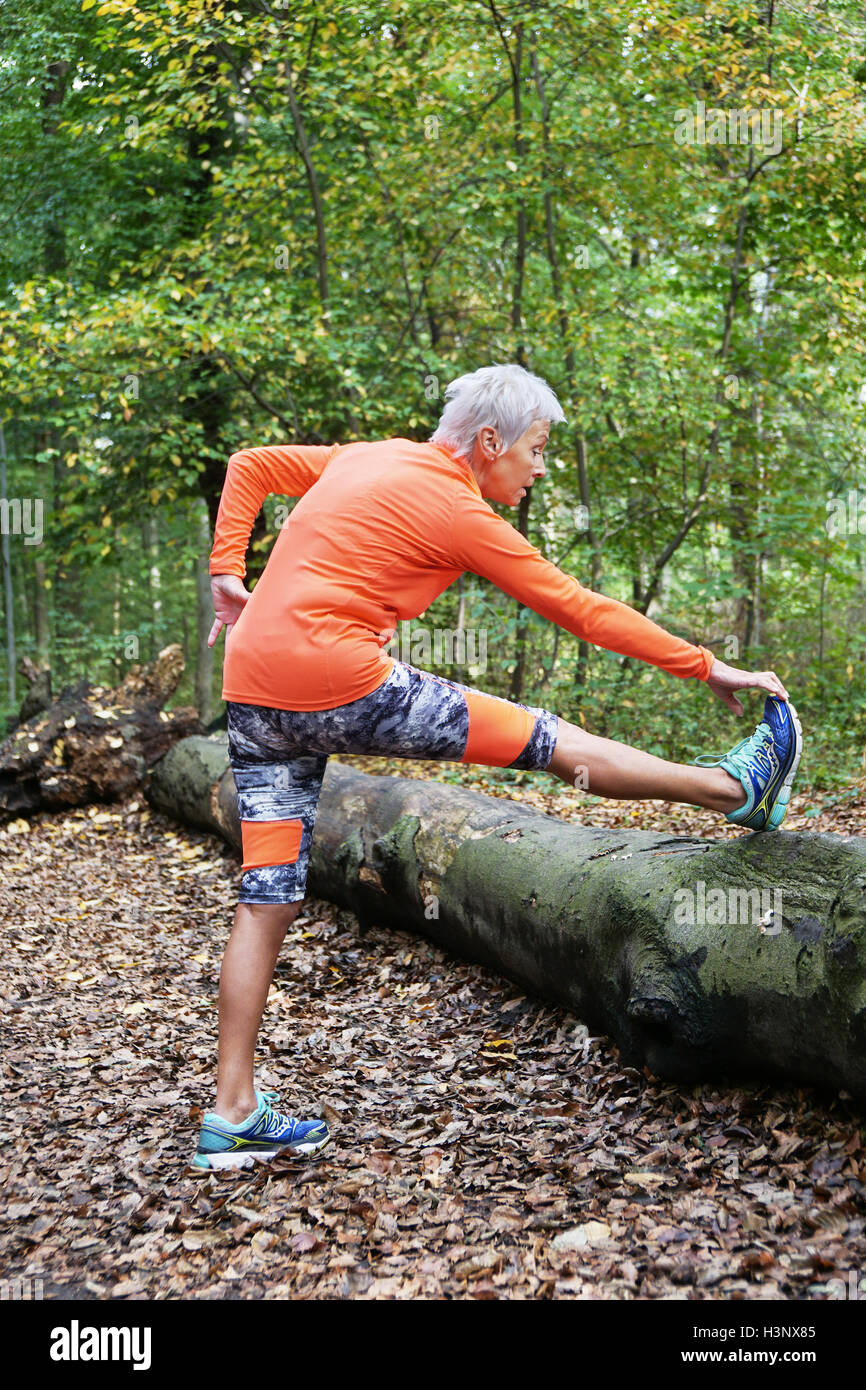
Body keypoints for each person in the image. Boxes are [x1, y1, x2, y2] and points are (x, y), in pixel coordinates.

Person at [192, 363, 801, 1170]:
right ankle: (734, 788)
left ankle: (231, 1112)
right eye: (537, 449)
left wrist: (225, 571)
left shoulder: (367, 455)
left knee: (267, 896)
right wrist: (706, 665)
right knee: (548, 741)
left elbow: (251, 465)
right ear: (489, 443)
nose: (541, 466)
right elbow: (581, 610)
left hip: (254, 689)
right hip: (337, 678)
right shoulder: (456, 507)